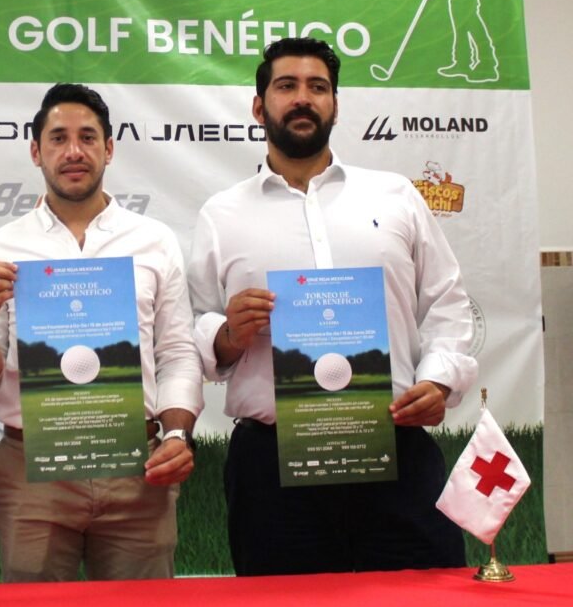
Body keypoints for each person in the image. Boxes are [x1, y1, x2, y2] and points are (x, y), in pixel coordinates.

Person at [187, 37, 477, 576]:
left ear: (335, 105)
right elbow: (194, 324)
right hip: (272, 469)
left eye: (318, 87)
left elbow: (446, 301)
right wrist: (226, 335)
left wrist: (438, 382)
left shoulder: (394, 196)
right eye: (287, 86)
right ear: (259, 107)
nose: (303, 98)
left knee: (424, 599)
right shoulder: (221, 215)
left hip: (395, 448)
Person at [0, 83, 203, 582]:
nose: (74, 151)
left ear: (109, 148)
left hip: (137, 469)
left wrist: (178, 433)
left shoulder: (154, 241)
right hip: (31, 471)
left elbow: (178, 353)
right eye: (58, 139)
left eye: (88, 138)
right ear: (36, 152)